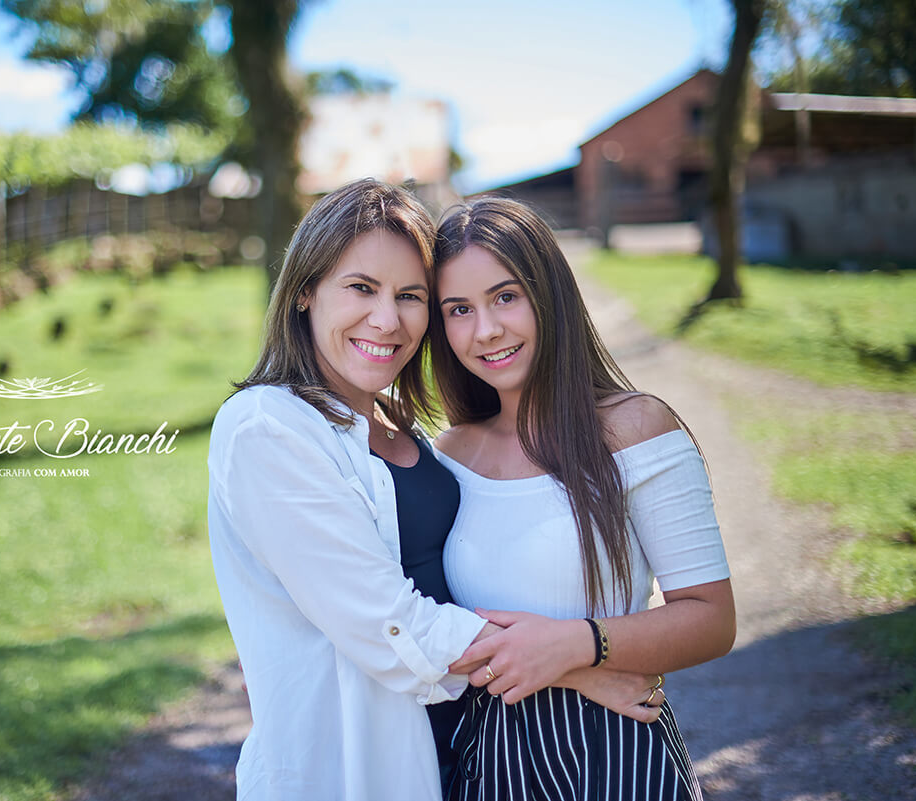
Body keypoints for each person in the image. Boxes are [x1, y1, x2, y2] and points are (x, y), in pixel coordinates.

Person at [208, 179, 666, 801]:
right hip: (355, 766)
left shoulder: (397, 420)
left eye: (411, 296)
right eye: (361, 288)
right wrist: (576, 670)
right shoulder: (268, 426)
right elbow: (385, 622)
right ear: (305, 292)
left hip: (472, 753)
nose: (387, 319)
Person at [431, 196, 736, 800]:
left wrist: (578, 645)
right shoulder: (447, 456)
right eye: (459, 309)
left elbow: (711, 618)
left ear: (549, 296)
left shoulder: (636, 429)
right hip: (488, 759)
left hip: (612, 752)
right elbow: (415, 622)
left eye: (505, 297)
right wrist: (577, 674)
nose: (486, 329)